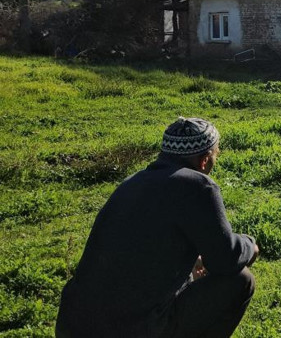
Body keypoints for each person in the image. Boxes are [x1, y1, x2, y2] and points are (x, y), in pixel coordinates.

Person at [56, 117, 259, 338]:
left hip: (74, 325)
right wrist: (249, 245)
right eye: (216, 154)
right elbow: (225, 259)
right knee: (241, 280)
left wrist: (192, 262)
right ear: (204, 160)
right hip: (132, 329)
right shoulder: (198, 186)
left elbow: (143, 248)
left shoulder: (132, 183)